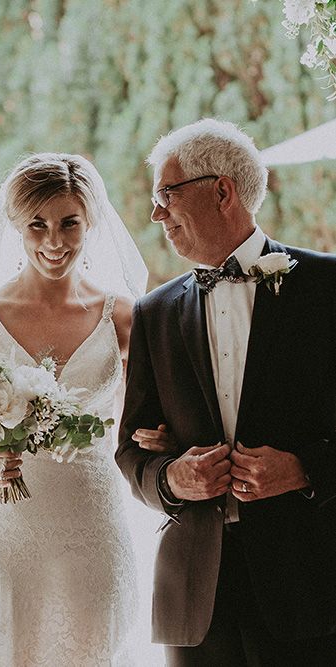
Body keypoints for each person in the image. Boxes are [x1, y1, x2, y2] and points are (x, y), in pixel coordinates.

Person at [0, 153, 157, 665]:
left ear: (91, 224)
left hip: (92, 528)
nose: (54, 241)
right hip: (4, 536)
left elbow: (139, 432)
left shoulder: (125, 318)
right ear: (16, 226)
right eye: (37, 225)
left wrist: (159, 438)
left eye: (69, 223)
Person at [116, 118, 336, 666]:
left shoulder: (328, 289)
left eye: (166, 195)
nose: (155, 214)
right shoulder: (154, 314)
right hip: (194, 598)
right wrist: (171, 478)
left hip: (309, 585)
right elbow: (131, 452)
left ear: (222, 191)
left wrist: (303, 468)